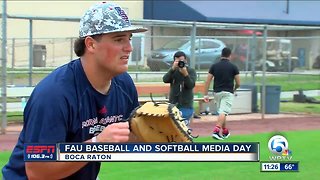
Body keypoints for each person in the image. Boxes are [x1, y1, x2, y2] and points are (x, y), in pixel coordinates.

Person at [2, 2, 147, 179]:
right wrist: (96, 144)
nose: (129, 48)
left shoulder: (123, 84)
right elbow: (37, 171)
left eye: (129, 38)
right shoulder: (54, 94)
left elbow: (129, 140)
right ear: (91, 44)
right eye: (119, 39)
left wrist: (157, 134)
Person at [203, 47, 240, 140]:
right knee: (224, 112)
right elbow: (238, 83)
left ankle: (225, 131)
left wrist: (205, 94)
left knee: (221, 112)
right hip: (228, 92)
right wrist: (234, 89)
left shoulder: (214, 66)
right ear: (230, 55)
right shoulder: (233, 67)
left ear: (221, 55)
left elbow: (207, 81)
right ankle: (216, 131)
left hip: (217, 93)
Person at [163, 51, 197, 126]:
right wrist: (172, 69)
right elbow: (165, 80)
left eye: (181, 61)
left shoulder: (191, 71)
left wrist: (186, 74)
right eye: (177, 61)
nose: (180, 63)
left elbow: (191, 85)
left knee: (183, 126)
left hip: (186, 104)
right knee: (173, 126)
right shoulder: (173, 71)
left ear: (185, 61)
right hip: (173, 103)